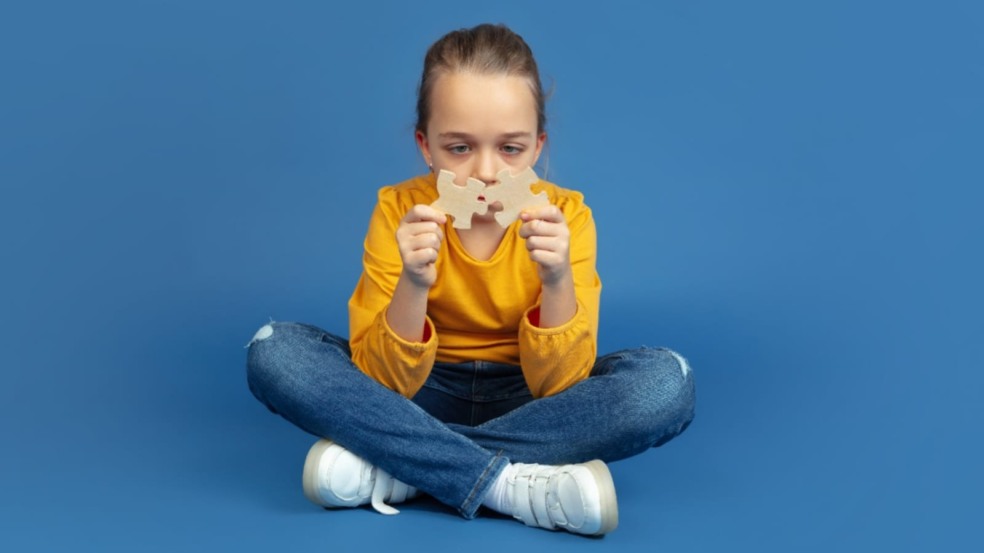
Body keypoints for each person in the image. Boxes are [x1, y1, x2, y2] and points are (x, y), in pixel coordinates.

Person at [246, 23, 695, 536]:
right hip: (419, 395)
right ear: (426, 146)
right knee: (274, 349)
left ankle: (402, 465)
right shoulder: (399, 211)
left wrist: (556, 280)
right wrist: (414, 282)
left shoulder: (567, 217)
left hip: (529, 400)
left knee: (667, 382)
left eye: (510, 149)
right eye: (459, 148)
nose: (485, 171)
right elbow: (381, 382)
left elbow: (561, 387)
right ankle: (511, 484)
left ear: (538, 146)